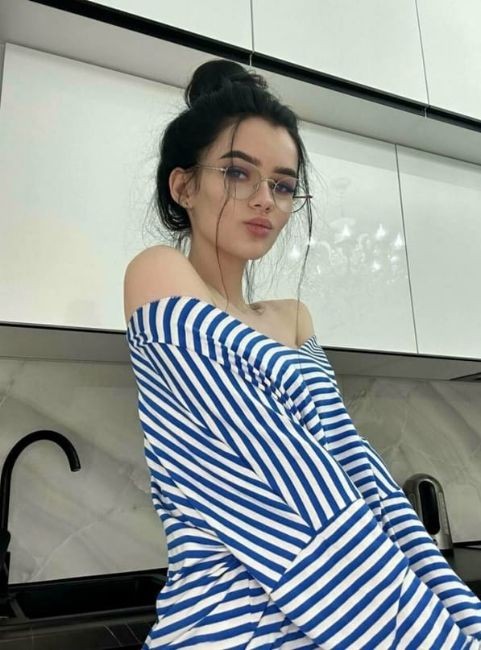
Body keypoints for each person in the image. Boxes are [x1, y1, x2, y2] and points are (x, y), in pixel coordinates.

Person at [124, 59, 481, 649]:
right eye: (238, 173)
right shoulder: (157, 273)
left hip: (346, 616)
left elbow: (357, 475)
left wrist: (462, 618)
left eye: (284, 185)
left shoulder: (294, 318)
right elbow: (289, 492)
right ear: (183, 186)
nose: (265, 199)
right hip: (230, 628)